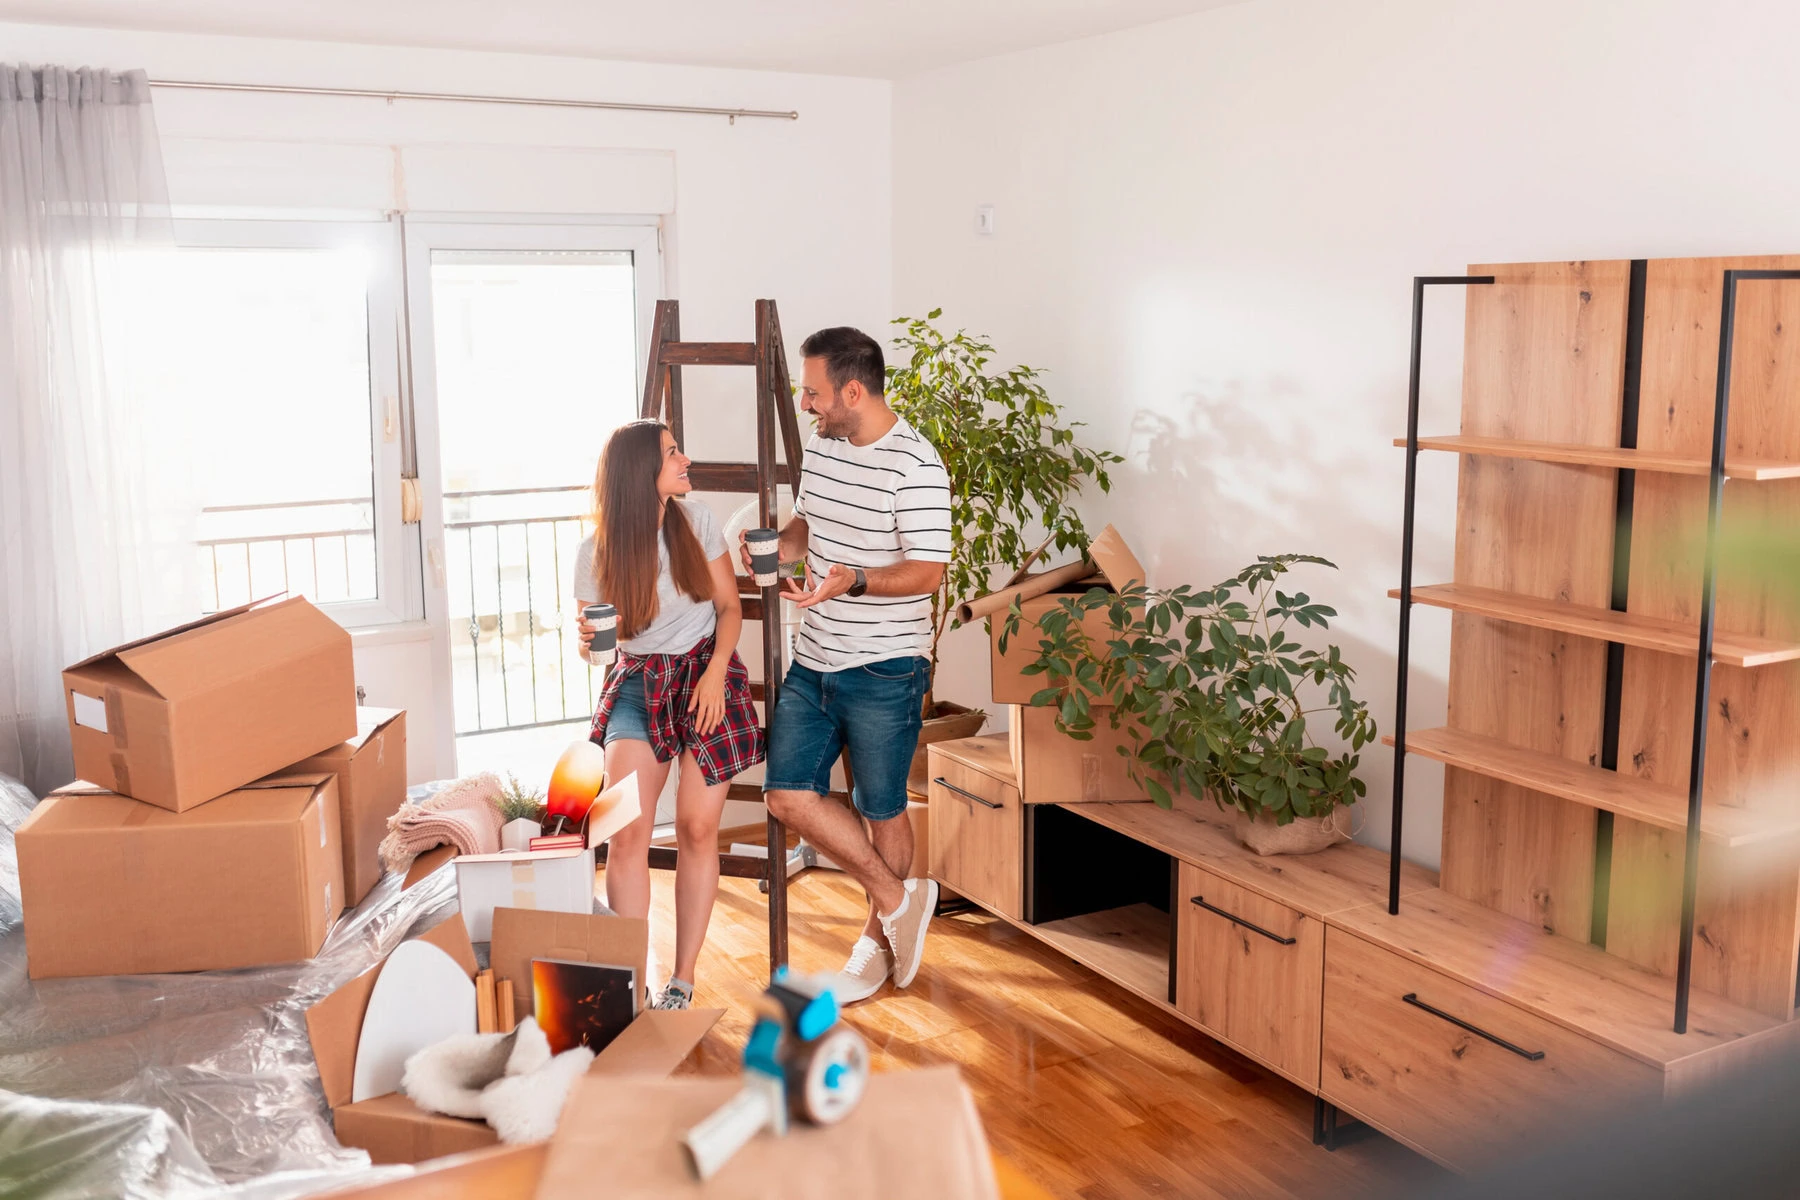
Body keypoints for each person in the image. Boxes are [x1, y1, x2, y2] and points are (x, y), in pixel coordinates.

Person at [745, 326, 952, 1003]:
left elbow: (927, 571)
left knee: (881, 806)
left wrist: (855, 581)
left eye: (814, 392)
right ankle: (899, 901)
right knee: (786, 794)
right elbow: (811, 524)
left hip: (886, 667)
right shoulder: (826, 447)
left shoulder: (915, 465)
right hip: (817, 654)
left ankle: (873, 941)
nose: (806, 404)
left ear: (853, 392)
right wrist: (779, 548)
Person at [574, 419, 763, 1010]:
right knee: (624, 833)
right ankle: (633, 981)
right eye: (672, 453)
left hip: (707, 671)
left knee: (696, 828)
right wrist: (585, 639)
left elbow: (730, 609)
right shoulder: (595, 552)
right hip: (637, 682)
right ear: (640, 475)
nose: (685, 459)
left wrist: (714, 675)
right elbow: (595, 645)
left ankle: (681, 980)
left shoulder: (697, 521)